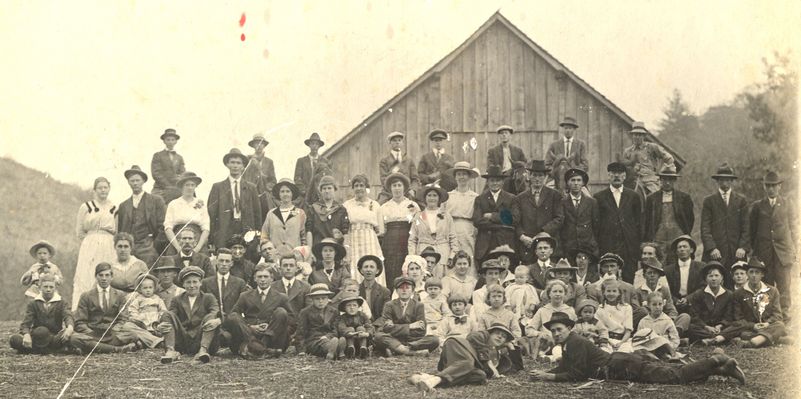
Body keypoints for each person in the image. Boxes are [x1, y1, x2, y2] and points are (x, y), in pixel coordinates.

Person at [528, 312, 746, 385]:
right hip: (622, 362)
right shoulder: (568, 344)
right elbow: (566, 367)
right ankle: (721, 368)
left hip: (622, 367)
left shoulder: (575, 342)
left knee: (674, 377)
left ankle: (714, 360)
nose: (556, 334)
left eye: (559, 329)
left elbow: (576, 374)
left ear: (569, 328)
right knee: (671, 373)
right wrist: (545, 373)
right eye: (553, 331)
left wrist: (548, 378)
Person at [409, 323, 517, 392]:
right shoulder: (482, 336)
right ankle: (433, 381)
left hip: (460, 366)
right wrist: (488, 362)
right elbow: (472, 337)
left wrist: (511, 347)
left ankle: (426, 378)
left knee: (480, 376)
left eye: (503, 337)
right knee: (468, 362)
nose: (500, 337)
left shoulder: (499, 355)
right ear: (490, 334)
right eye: (497, 333)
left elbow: (518, 367)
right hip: (455, 346)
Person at [749, 171, 797, 314]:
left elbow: (794, 229)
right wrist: (755, 254)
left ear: (779, 187)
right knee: (766, 286)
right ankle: (767, 315)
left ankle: (785, 314)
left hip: (782, 253)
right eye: (768, 186)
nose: (771, 189)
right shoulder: (757, 206)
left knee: (784, 286)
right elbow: (752, 232)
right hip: (764, 254)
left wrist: (794, 251)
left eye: (774, 186)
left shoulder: (788, 204)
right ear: (764, 187)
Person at [223, 264, 294, 358]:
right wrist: (250, 327)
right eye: (259, 277)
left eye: (266, 276)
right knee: (234, 316)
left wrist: (272, 327)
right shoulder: (245, 296)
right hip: (249, 335)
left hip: (272, 338)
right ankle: (261, 349)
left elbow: (292, 321)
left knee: (281, 312)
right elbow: (231, 317)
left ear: (272, 279)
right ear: (255, 279)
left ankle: (258, 348)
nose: (263, 279)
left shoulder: (281, 297)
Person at [159, 266, 221, 363]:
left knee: (211, 316)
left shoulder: (208, 297)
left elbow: (216, 311)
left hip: (202, 337)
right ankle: (170, 350)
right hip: (183, 340)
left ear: (200, 283)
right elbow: (171, 316)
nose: (192, 285)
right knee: (167, 314)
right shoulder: (177, 299)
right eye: (188, 282)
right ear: (183, 284)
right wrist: (161, 325)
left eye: (195, 282)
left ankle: (203, 350)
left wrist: (217, 320)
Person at [69, 262, 136, 354]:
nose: (104, 279)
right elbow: (80, 321)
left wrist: (115, 329)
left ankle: (92, 347)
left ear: (112, 277)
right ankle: (116, 349)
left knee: (132, 335)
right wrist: (89, 331)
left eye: (107, 275)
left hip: (111, 332)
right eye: (101, 275)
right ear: (96, 277)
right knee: (74, 339)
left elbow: (123, 318)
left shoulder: (119, 295)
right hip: (92, 332)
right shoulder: (86, 296)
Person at [73, 177, 117, 310]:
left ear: (109, 189)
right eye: (100, 188)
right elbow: (79, 231)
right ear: (94, 190)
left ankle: (105, 310)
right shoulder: (86, 207)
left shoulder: (114, 208)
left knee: (106, 273)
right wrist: (90, 241)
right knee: (86, 274)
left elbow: (117, 231)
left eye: (105, 187)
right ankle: (80, 310)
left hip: (108, 244)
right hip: (90, 243)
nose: (103, 190)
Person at [700, 163, 749, 282]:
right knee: (715, 283)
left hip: (736, 253)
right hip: (716, 254)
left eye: (727, 180)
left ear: (732, 181)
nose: (725, 183)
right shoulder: (709, 201)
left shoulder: (741, 201)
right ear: (717, 181)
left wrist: (742, 247)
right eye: (722, 180)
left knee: (736, 284)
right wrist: (712, 248)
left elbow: (746, 227)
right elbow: (705, 228)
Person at [594, 162, 643, 282]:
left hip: (628, 246)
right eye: (613, 173)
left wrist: (637, 244)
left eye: (620, 173)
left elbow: (639, 222)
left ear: (625, 176)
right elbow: (596, 223)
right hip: (607, 245)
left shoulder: (633, 196)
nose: (616, 176)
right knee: (608, 278)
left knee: (628, 278)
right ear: (608, 176)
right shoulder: (599, 197)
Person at [208, 148, 263, 253]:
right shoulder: (218, 187)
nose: (235, 166)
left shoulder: (251, 188)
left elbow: (257, 215)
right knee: (225, 257)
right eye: (232, 162)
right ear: (227, 165)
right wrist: (212, 239)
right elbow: (212, 215)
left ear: (243, 167)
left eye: (238, 163)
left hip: (246, 230)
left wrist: (258, 238)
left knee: (246, 258)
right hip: (225, 230)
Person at [512, 160, 564, 264]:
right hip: (528, 246)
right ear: (529, 176)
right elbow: (515, 221)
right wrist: (522, 237)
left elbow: (559, 218)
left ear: (545, 177)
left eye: (540, 176)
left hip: (548, 246)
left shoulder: (554, 195)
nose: (537, 179)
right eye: (534, 175)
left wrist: (543, 233)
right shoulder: (520, 198)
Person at [374, 276, 440, 356]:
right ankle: (410, 352)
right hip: (394, 339)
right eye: (401, 288)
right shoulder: (389, 305)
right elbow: (385, 328)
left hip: (413, 340)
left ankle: (398, 349)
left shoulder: (418, 305)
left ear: (412, 291)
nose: (404, 290)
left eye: (407, 287)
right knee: (378, 336)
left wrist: (395, 327)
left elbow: (421, 330)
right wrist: (410, 326)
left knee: (434, 340)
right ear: (397, 291)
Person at [731, 258, 787, 348]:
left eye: (757, 272)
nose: (754, 275)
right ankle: (774, 338)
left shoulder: (772, 291)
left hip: (768, 326)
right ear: (747, 274)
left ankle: (752, 342)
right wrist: (753, 326)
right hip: (750, 329)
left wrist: (767, 324)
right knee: (743, 332)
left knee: (780, 325)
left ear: (762, 275)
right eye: (751, 272)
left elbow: (777, 315)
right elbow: (738, 318)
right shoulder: (738, 293)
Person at [10, 275, 74, 354]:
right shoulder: (33, 303)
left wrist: (70, 327)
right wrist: (26, 334)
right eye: (45, 287)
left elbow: (68, 315)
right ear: (40, 287)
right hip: (37, 335)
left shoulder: (61, 302)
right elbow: (25, 324)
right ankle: (47, 350)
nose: (48, 290)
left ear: (55, 288)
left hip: (53, 337)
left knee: (70, 338)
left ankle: (33, 350)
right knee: (15, 340)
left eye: (51, 287)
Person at [644, 165, 694, 265]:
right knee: (658, 265)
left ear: (674, 181)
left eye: (670, 180)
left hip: (677, 239)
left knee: (677, 266)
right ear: (660, 180)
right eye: (664, 180)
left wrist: (683, 234)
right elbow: (646, 220)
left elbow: (690, 219)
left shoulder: (684, 198)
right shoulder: (652, 199)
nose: (667, 183)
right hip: (658, 240)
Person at [116, 165, 166, 266]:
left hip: (149, 247)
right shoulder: (123, 206)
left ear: (143, 181)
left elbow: (163, 226)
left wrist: (155, 247)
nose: (135, 183)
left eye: (137, 180)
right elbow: (121, 231)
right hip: (130, 249)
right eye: (132, 181)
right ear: (128, 182)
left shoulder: (156, 201)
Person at [343, 175, 386, 285]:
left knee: (371, 264)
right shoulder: (346, 205)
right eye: (356, 186)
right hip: (353, 239)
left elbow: (381, 229)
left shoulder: (375, 205)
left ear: (367, 188)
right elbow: (344, 227)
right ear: (353, 188)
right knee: (355, 265)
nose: (359, 188)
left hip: (370, 240)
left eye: (361, 185)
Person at [408, 185, 458, 279]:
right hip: (423, 253)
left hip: (443, 254)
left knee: (441, 282)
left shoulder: (446, 216)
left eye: (434, 195)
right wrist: (413, 257)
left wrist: (452, 255)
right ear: (425, 198)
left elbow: (453, 237)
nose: (432, 198)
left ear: (439, 198)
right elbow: (412, 239)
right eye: (429, 195)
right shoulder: (419, 216)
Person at [380, 173, 420, 289]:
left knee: (406, 265)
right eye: (394, 186)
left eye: (399, 185)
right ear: (390, 188)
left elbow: (417, 225)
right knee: (391, 267)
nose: (397, 188)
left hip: (407, 238)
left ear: (404, 188)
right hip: (390, 241)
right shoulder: (384, 207)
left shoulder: (412, 205)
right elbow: (382, 229)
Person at [472, 165, 517, 265]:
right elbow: (477, 221)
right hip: (485, 244)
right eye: (492, 180)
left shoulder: (511, 198)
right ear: (487, 182)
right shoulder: (480, 199)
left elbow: (514, 219)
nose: (495, 183)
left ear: (502, 182)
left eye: (498, 180)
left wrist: (492, 216)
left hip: (505, 242)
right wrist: (502, 224)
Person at [634, 257, 690, 335]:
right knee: (643, 311)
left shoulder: (664, 290)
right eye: (649, 273)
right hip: (648, 324)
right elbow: (638, 312)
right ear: (644, 275)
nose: (652, 275)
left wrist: (668, 320)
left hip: (664, 322)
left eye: (655, 273)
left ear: (659, 276)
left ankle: (672, 335)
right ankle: (666, 337)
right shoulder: (638, 292)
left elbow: (671, 309)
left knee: (685, 317)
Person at [619, 121, 675, 196]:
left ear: (644, 136)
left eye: (639, 135)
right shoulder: (628, 151)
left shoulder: (652, 147)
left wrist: (664, 172)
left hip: (650, 180)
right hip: (633, 180)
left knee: (656, 196)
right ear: (632, 136)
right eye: (635, 135)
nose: (637, 137)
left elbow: (669, 158)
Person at [686, 261, 736, 345]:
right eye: (710, 276)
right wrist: (706, 327)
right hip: (704, 327)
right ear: (706, 279)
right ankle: (721, 338)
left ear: (722, 278)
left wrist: (720, 325)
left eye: (717, 275)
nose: (713, 279)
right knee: (690, 327)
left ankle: (710, 339)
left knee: (736, 326)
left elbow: (729, 315)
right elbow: (694, 316)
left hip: (721, 327)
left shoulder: (729, 294)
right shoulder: (699, 294)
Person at [525, 280, 577, 357]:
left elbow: (574, 330)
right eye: (555, 291)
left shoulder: (570, 310)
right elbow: (529, 330)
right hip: (547, 343)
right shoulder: (543, 310)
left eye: (560, 291)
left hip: (565, 342)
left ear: (564, 294)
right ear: (549, 293)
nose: (558, 294)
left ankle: (554, 357)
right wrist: (540, 334)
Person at [163, 171, 210, 255]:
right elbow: (168, 228)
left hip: (196, 241)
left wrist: (198, 248)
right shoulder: (173, 204)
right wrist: (178, 248)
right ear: (181, 187)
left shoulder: (200, 204)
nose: (190, 188)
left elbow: (206, 228)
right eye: (187, 185)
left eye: (192, 185)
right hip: (177, 241)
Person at [115, 273, 167, 349]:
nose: (148, 290)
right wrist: (137, 318)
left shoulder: (157, 299)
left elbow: (163, 310)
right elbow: (132, 309)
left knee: (164, 327)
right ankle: (155, 341)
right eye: (145, 288)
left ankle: (146, 341)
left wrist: (160, 318)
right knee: (127, 326)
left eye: (150, 288)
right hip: (142, 324)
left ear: (154, 288)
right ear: (140, 289)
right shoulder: (138, 299)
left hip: (155, 324)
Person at [294, 283, 345, 360]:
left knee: (334, 340)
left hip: (330, 337)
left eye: (323, 298)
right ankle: (334, 349)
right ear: (312, 299)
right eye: (317, 299)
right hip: (313, 340)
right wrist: (301, 350)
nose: (321, 301)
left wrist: (328, 336)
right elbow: (301, 332)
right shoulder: (305, 312)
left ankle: (336, 349)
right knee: (324, 345)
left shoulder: (334, 311)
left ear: (328, 299)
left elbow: (335, 329)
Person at [200, 248, 250, 321]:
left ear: (231, 263)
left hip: (233, 322)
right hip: (212, 320)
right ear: (216, 261)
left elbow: (243, 306)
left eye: (227, 261)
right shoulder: (205, 283)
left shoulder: (240, 283)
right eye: (221, 261)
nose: (224, 264)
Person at [261, 178, 308, 254]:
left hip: (294, 258)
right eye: (282, 191)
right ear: (279, 194)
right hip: (275, 258)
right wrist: (269, 251)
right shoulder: (271, 214)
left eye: (288, 191)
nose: (285, 194)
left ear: (292, 194)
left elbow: (304, 237)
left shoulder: (299, 213)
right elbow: (264, 235)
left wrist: (302, 254)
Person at [559, 168, 599, 259]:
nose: (576, 183)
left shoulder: (592, 202)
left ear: (583, 183)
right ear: (568, 183)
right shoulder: (562, 203)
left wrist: (593, 244)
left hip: (588, 248)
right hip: (569, 248)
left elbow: (596, 226)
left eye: (579, 180)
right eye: (572, 180)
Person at [444, 162, 479, 260]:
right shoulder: (448, 196)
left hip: (468, 229)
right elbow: (442, 216)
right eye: (459, 174)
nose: (461, 177)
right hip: (451, 228)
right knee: (451, 256)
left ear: (469, 177)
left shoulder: (475, 197)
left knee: (468, 256)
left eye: (464, 174)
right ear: (455, 177)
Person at [545, 117, 589, 192]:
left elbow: (585, 165)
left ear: (574, 129)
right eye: (566, 128)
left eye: (570, 128)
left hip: (575, 179)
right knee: (546, 194)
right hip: (556, 179)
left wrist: (573, 170)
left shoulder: (580, 145)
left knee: (587, 196)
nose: (568, 130)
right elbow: (547, 165)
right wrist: (555, 171)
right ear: (563, 129)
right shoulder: (554, 145)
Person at [305, 175, 350, 248]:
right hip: (318, 248)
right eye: (324, 188)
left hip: (336, 249)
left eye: (329, 188)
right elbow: (309, 231)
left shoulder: (341, 209)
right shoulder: (313, 208)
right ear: (321, 191)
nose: (327, 191)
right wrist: (309, 250)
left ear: (334, 189)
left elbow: (345, 232)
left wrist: (346, 249)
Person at [634, 292, 681, 360]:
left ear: (663, 304)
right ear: (648, 305)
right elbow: (639, 337)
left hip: (664, 346)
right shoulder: (643, 321)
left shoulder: (667, 320)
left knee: (660, 339)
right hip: (649, 347)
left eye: (660, 304)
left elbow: (675, 337)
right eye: (654, 305)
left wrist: (672, 346)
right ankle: (655, 358)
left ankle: (670, 355)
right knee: (638, 349)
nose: (657, 307)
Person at [664, 235, 704, 313]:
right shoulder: (668, 270)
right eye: (679, 247)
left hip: (695, 304)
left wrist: (688, 299)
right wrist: (675, 300)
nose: (682, 249)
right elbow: (666, 289)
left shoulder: (701, 267)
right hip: (674, 305)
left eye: (685, 246)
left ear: (691, 250)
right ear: (676, 251)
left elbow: (703, 287)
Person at [378, 131, 420, 203]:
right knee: (380, 205)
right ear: (390, 143)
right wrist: (393, 190)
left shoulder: (408, 160)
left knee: (418, 207)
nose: (397, 142)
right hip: (389, 192)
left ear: (402, 143)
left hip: (407, 191)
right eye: (394, 140)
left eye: (399, 140)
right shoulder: (384, 161)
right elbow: (383, 179)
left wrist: (413, 190)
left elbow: (415, 179)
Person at [594, 279, 633, 352]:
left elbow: (628, 331)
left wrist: (621, 343)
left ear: (619, 293)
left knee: (624, 354)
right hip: (606, 340)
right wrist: (610, 342)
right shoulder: (600, 309)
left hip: (623, 340)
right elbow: (600, 330)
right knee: (604, 353)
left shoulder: (627, 307)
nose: (611, 294)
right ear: (604, 293)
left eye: (614, 291)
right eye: (608, 291)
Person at [242, 133, 277, 216]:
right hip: (249, 193)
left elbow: (273, 180)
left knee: (269, 211)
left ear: (264, 145)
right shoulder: (247, 160)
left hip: (264, 193)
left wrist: (266, 187)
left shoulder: (269, 162)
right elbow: (242, 177)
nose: (259, 145)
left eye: (261, 143)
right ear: (253, 145)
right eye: (257, 143)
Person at [270, 255, 311, 322]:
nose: (288, 268)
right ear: (280, 269)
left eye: (291, 265)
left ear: (296, 268)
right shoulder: (272, 287)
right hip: (278, 326)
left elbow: (308, 310)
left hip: (298, 326)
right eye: (285, 265)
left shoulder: (305, 287)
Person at [150, 128, 186, 203]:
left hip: (175, 187)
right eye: (168, 140)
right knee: (155, 203)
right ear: (164, 141)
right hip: (161, 188)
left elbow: (183, 173)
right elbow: (156, 173)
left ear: (176, 141)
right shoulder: (158, 155)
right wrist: (168, 186)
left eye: (173, 140)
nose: (170, 142)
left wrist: (177, 183)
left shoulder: (179, 158)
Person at [336, 293, 375, 359]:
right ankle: (350, 348)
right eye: (349, 305)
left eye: (354, 305)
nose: (352, 308)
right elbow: (341, 327)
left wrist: (367, 334)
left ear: (358, 307)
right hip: (349, 339)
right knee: (350, 328)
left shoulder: (362, 315)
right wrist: (347, 333)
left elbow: (369, 326)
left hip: (361, 338)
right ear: (344, 308)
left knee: (361, 328)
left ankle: (363, 348)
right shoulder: (342, 318)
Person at [294, 133, 330, 202]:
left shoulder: (325, 161)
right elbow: (297, 178)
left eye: (316, 144)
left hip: (320, 196)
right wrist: (304, 191)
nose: (314, 146)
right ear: (309, 145)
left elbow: (327, 178)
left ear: (319, 146)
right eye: (312, 144)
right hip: (305, 196)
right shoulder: (301, 161)